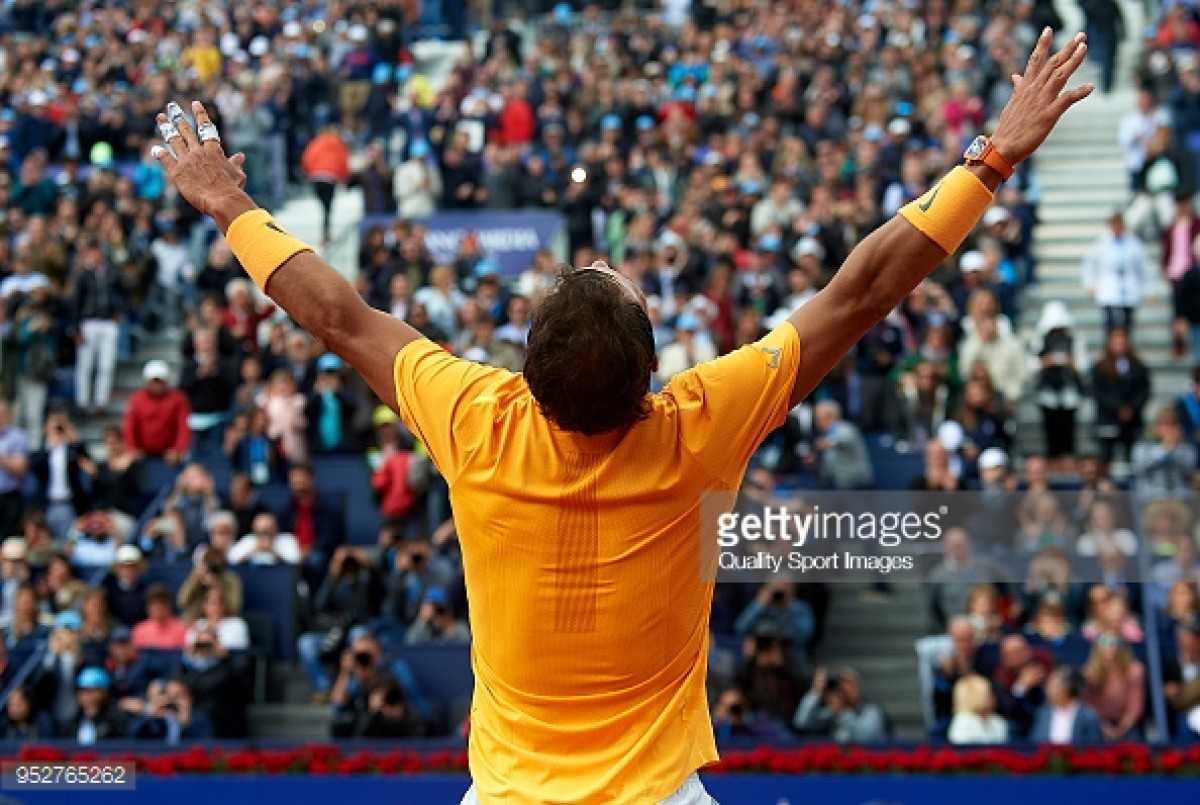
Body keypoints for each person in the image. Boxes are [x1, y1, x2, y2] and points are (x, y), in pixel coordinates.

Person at [150, 36, 1093, 799]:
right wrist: (992, 156)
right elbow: (860, 294)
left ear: (524, 370)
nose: (607, 267)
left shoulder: (476, 418)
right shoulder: (696, 423)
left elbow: (335, 314)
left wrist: (229, 202)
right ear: (654, 373)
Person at [1082, 212, 1150, 336]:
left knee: (1127, 325)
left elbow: (1143, 267)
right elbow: (1090, 264)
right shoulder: (1101, 243)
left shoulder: (1134, 242)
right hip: (1109, 287)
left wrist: (1149, 289)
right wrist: (1090, 283)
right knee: (1110, 324)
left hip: (1129, 287)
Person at [792, 665, 890, 743]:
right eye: (841, 685)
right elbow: (801, 723)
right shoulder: (831, 713)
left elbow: (867, 739)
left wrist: (842, 712)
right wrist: (815, 692)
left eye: (849, 684)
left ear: (859, 688)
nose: (845, 689)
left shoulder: (872, 711)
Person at [123, 360, 191, 465]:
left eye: (160, 382)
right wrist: (132, 449)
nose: (156, 386)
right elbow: (130, 426)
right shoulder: (137, 399)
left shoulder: (177, 399)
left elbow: (183, 427)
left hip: (169, 454)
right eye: (153, 382)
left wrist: (177, 450)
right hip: (142, 454)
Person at [1030, 666, 1105, 744]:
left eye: (1051, 686)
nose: (1046, 690)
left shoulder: (1088, 716)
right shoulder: (1042, 714)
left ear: (1065, 689)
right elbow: (1035, 744)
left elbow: (1093, 747)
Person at [948, 673, 1008, 745]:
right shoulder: (962, 722)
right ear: (975, 697)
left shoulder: (999, 722)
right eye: (988, 695)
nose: (994, 698)